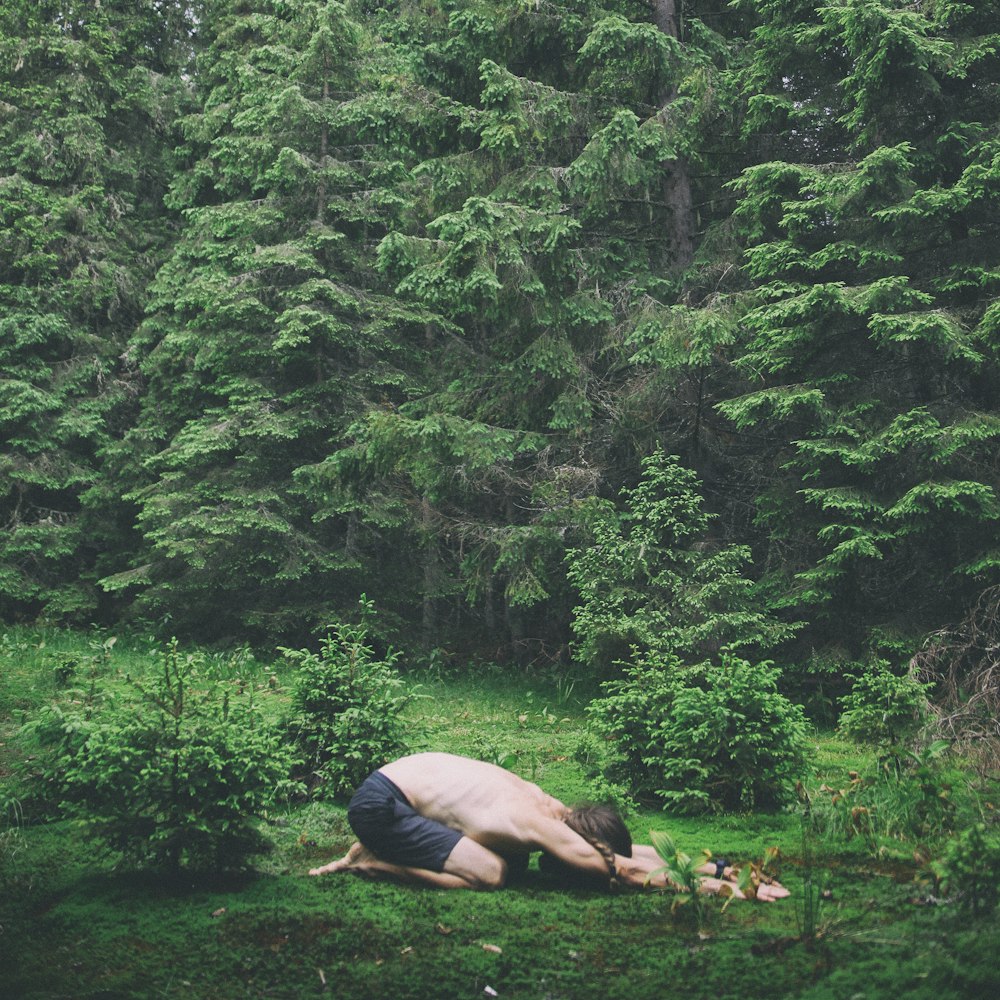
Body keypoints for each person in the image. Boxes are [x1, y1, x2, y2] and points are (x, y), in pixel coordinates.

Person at [308, 752, 789, 900]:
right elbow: (622, 871)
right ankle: (373, 861)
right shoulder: (537, 822)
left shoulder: (554, 810)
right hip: (381, 807)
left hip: (401, 786)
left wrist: (722, 866)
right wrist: (732, 891)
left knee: (509, 865)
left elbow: (623, 853)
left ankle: (381, 851)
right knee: (493, 873)